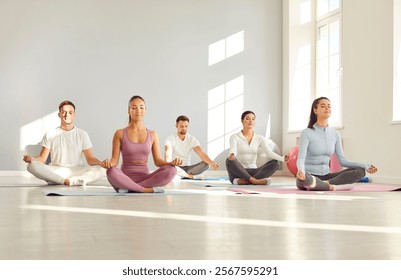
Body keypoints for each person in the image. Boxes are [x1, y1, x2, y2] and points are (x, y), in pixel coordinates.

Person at [102, 95, 181, 193]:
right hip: (124, 177)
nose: (138, 111)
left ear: (145, 111)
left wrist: (170, 163)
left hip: (146, 179)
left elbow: (158, 161)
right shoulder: (120, 133)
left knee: (172, 170)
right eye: (134, 108)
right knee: (111, 171)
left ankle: (130, 188)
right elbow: (114, 160)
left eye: (142, 107)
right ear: (129, 111)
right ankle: (145, 190)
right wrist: (109, 164)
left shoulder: (153, 134)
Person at [296, 97, 378, 191]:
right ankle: (320, 185)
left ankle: (323, 185)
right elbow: (301, 158)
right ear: (315, 110)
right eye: (323, 106)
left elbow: (343, 161)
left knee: (360, 171)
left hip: (327, 177)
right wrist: (301, 172)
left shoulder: (335, 134)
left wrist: (365, 165)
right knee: (305, 179)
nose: (327, 108)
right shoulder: (307, 132)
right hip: (308, 175)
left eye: (329, 106)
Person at [23, 100, 106, 186]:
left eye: (70, 112)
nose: (67, 115)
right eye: (64, 112)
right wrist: (31, 159)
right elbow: (42, 159)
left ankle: (69, 180)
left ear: (74, 115)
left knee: (103, 170)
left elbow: (90, 159)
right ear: (59, 114)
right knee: (31, 166)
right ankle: (64, 181)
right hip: (57, 170)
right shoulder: (50, 134)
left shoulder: (82, 134)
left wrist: (101, 163)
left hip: (77, 170)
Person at [226, 110, 289, 185]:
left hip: (254, 170)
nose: (251, 121)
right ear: (242, 121)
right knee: (229, 161)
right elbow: (233, 149)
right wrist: (232, 155)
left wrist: (282, 158)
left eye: (253, 119)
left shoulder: (259, 138)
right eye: (247, 118)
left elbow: (268, 152)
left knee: (275, 163)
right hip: (239, 171)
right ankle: (254, 180)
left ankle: (243, 180)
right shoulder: (235, 137)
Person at [164, 115, 219, 180]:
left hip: (188, 168)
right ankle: (190, 176)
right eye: (181, 126)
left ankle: (182, 175)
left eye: (186, 126)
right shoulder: (170, 139)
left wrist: (212, 163)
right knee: (169, 168)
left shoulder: (191, 139)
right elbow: (168, 155)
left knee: (206, 164)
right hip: (176, 167)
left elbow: (201, 153)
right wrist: (170, 163)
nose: (184, 128)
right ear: (176, 125)